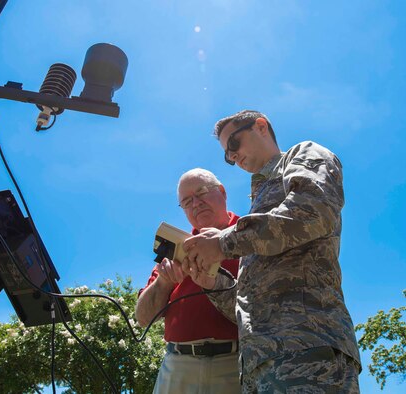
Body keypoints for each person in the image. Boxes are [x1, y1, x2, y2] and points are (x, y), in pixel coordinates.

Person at [182, 110, 361, 393]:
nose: (233, 157)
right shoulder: (258, 204)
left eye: (234, 145)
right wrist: (213, 284)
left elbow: (312, 212)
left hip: (307, 348)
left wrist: (222, 243)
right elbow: (250, 305)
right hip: (259, 366)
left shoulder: (304, 154)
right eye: (227, 156)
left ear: (261, 126)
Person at [136, 168, 241, 394]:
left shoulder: (249, 236)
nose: (196, 203)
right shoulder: (175, 249)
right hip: (177, 365)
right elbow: (142, 318)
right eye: (187, 201)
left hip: (236, 364)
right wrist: (163, 282)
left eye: (202, 192)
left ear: (222, 192)